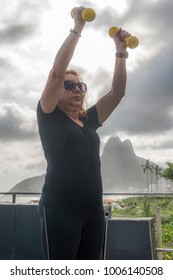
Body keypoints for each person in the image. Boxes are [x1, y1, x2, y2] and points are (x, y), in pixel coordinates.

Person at [37, 6, 129, 260]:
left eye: (80, 85)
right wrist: (78, 28)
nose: (76, 89)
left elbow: (117, 92)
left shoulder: (89, 122)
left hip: (93, 211)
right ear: (56, 94)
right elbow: (56, 72)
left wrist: (120, 52)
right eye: (69, 85)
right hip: (59, 209)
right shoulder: (50, 117)